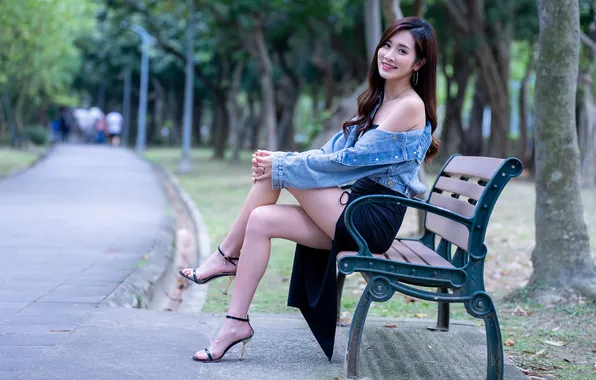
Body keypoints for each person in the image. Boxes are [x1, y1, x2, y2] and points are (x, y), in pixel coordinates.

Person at [179, 16, 439, 363]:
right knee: (260, 220)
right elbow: (330, 152)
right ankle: (235, 323)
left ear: (419, 63)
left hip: (373, 217)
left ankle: (225, 256)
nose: (389, 54)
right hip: (353, 208)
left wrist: (283, 165)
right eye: (387, 44)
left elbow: (351, 162)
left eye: (402, 51)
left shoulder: (410, 105)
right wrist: (283, 160)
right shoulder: (377, 101)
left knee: (280, 173)